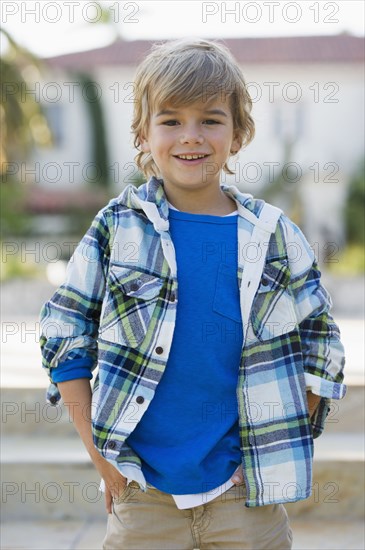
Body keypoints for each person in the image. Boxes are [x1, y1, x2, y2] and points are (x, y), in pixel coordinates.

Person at [40, 38, 346, 550]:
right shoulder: (117, 229)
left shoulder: (273, 236)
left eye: (210, 119)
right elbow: (65, 335)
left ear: (239, 131)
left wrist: (269, 454)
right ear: (143, 131)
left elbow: (323, 350)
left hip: (245, 503)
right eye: (171, 120)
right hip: (142, 495)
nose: (191, 137)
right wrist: (101, 459)